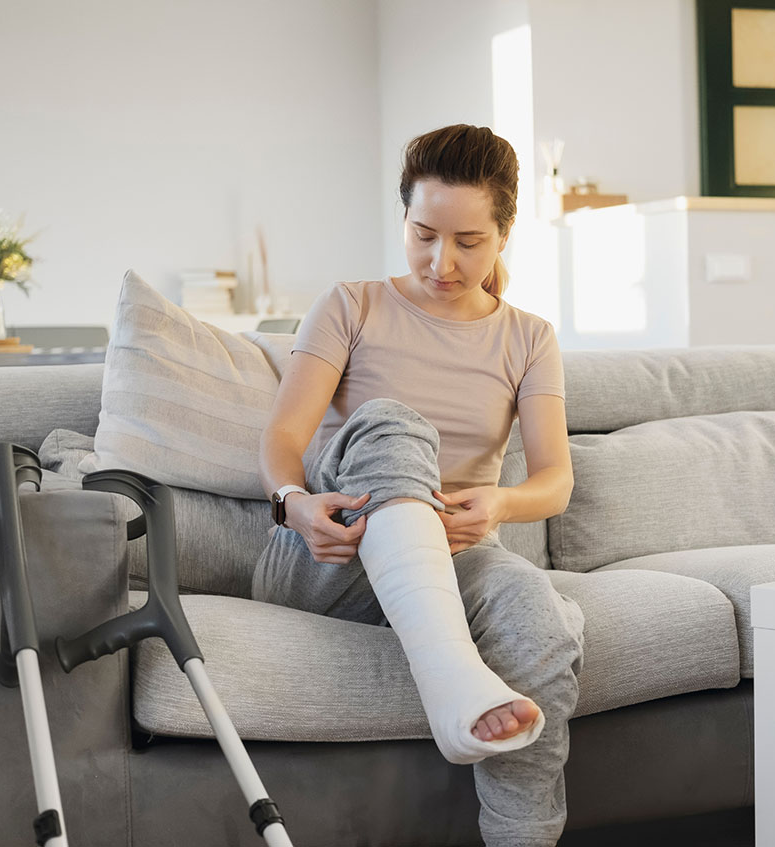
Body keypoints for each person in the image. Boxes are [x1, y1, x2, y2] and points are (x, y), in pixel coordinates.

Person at [252, 123, 586, 847]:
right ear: (403, 219)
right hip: (331, 558)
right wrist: (294, 501)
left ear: (502, 236)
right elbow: (282, 439)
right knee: (392, 421)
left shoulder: (528, 338)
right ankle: (453, 680)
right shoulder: (353, 304)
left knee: (540, 613)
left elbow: (555, 479)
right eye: (424, 233)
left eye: (469, 241)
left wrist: (499, 501)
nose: (442, 261)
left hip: (454, 559)